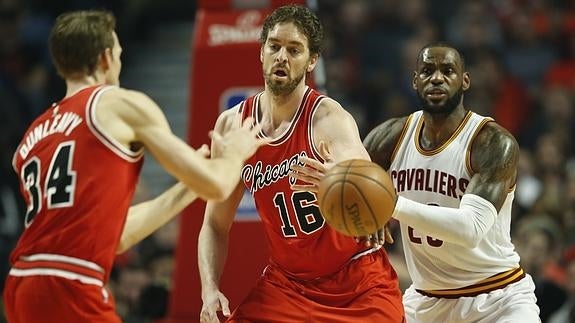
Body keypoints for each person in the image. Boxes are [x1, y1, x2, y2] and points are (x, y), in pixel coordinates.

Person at [2, 10, 267, 323]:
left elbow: (117, 237)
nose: (120, 60)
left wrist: (186, 188)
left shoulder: (34, 133)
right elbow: (219, 186)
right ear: (104, 58)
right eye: (118, 52)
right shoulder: (117, 104)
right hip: (71, 280)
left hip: (21, 282)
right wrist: (235, 153)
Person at [292, 42, 541, 322]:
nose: (437, 77)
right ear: (415, 81)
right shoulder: (389, 138)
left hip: (498, 298)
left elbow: (471, 229)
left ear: (465, 80)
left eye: (448, 70)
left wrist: (388, 204)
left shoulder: (492, 142)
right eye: (427, 71)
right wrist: (334, 188)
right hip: (427, 301)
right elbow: (354, 192)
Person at [198, 5, 404, 323]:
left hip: (356, 281)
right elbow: (214, 224)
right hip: (288, 286)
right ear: (261, 53)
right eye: (275, 46)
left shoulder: (328, 119)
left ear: (311, 61)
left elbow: (363, 176)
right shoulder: (233, 126)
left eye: (294, 49)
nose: (282, 56)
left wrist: (345, 183)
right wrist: (209, 290)